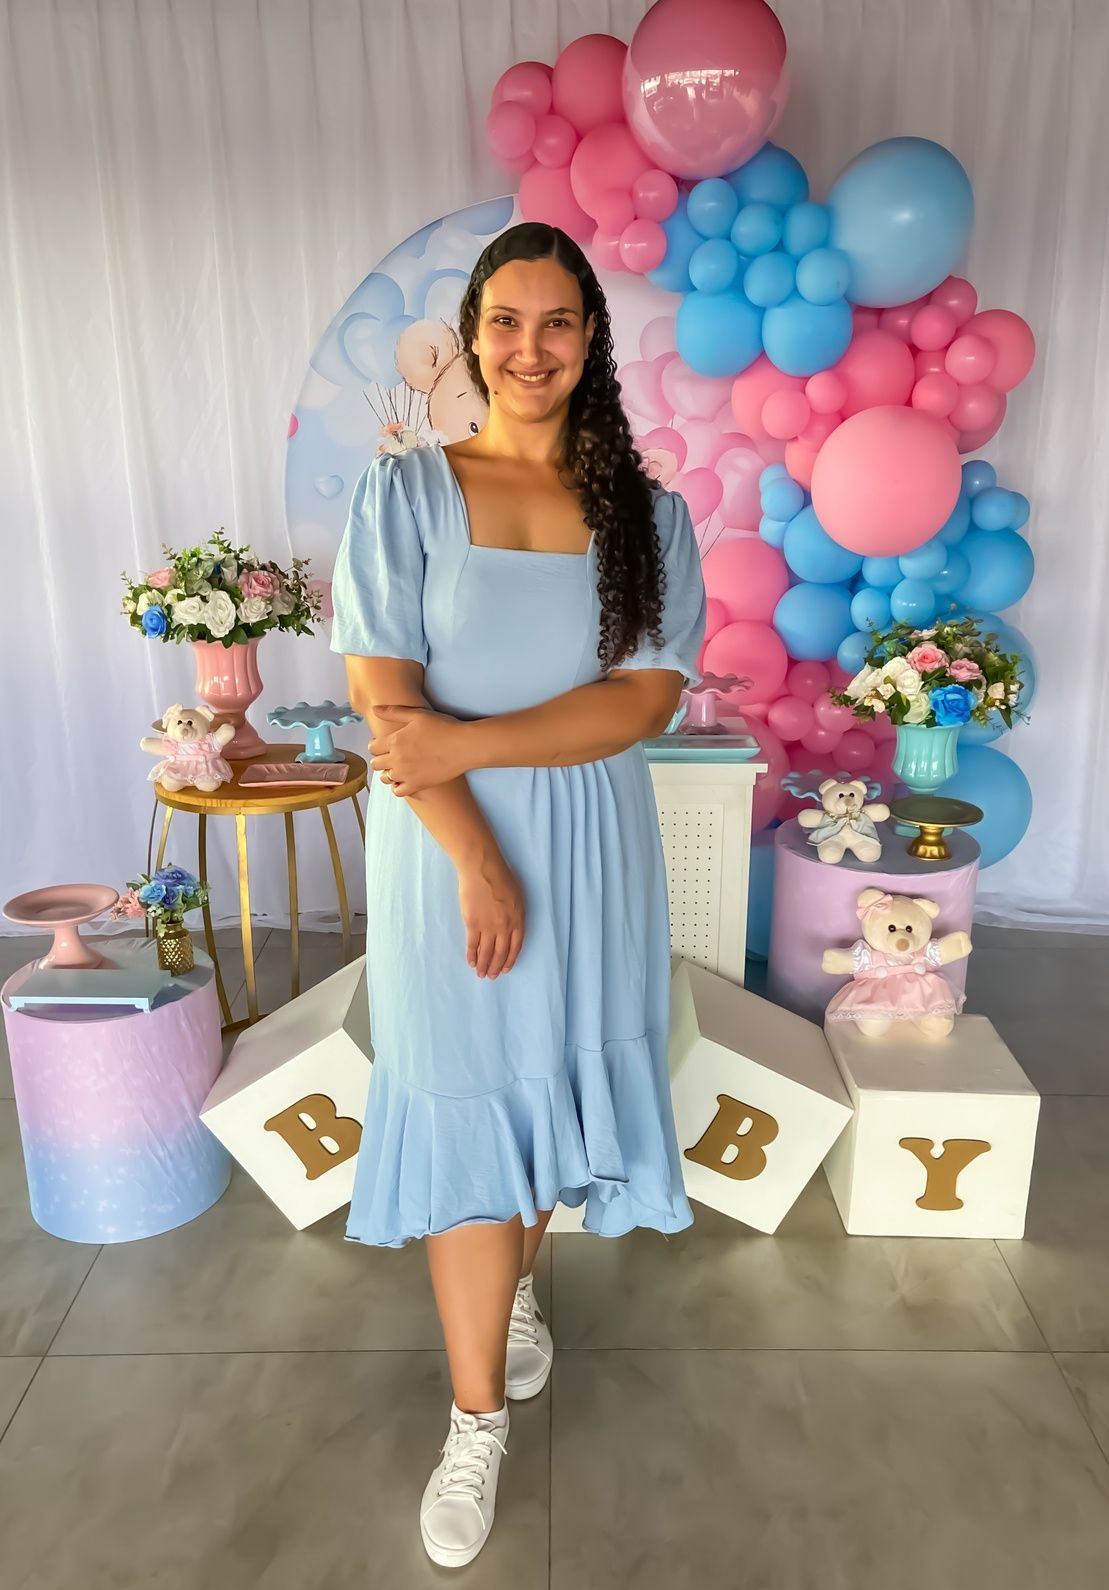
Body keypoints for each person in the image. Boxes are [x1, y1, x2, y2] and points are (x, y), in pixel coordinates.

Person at [330, 221, 706, 1569]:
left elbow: (641, 700)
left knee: (549, 1080)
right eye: (505, 321)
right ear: (471, 336)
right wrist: (477, 853)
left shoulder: (649, 517)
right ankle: (474, 1416)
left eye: (557, 322)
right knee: (466, 1095)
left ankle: (518, 1286)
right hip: (446, 852)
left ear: (591, 338)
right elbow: (387, 702)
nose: (529, 348)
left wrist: (469, 744)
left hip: (593, 848)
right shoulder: (407, 493)